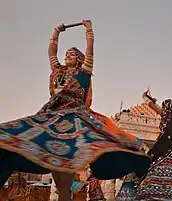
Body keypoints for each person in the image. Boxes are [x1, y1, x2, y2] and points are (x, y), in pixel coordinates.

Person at [0, 20, 151, 201]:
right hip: (51, 116)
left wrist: (89, 30)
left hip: (76, 117)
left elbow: (90, 52)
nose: (67, 56)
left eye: (71, 55)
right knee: (10, 136)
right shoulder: (58, 71)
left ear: (79, 59)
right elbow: (51, 53)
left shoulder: (83, 72)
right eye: (66, 54)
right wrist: (56, 32)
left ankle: (66, 194)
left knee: (66, 175)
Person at [116, 91, 172, 201]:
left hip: (164, 151)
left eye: (165, 108)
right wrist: (147, 99)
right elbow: (157, 109)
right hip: (168, 153)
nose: (164, 110)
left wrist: (146, 99)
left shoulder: (170, 123)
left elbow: (156, 110)